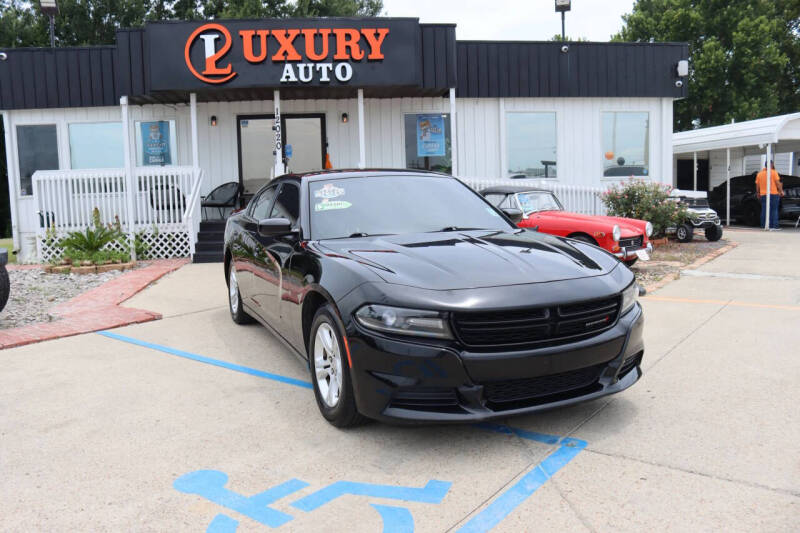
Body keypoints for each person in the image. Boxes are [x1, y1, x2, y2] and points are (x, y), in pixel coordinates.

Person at [755, 161, 784, 230]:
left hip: (763, 194)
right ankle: (774, 226)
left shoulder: (759, 174)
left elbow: (757, 185)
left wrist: (758, 193)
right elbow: (777, 183)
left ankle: (763, 225)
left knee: (764, 210)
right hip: (773, 194)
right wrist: (781, 191)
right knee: (774, 210)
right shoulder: (774, 172)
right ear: (771, 165)